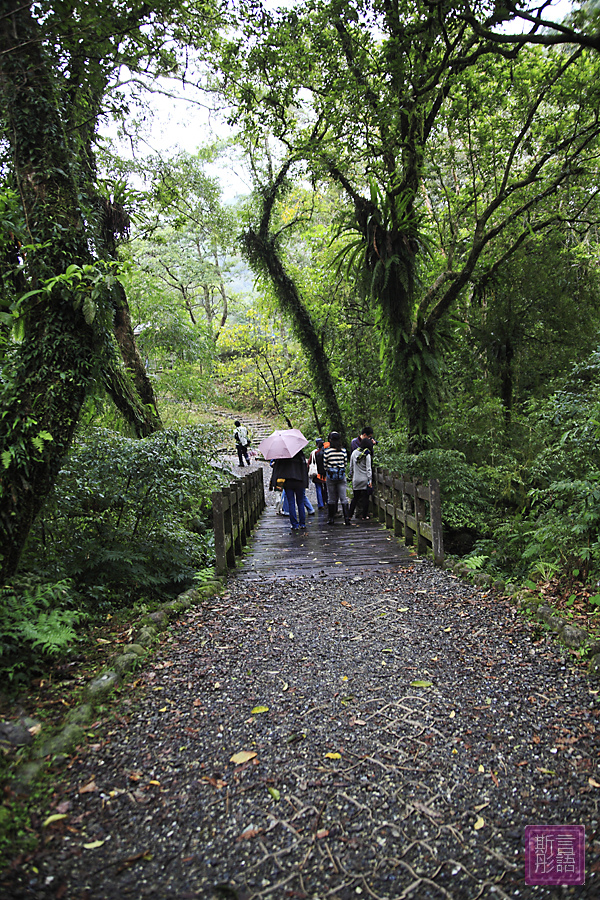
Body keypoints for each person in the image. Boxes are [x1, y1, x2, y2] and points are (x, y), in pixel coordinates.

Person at [271, 450, 309, 531]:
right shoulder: (300, 454)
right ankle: (302, 524)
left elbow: (278, 468)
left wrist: (275, 482)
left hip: (288, 482)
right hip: (300, 481)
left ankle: (294, 524)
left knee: (291, 503)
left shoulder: (284, 455)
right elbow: (304, 468)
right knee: (300, 502)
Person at [323, 431, 350, 525]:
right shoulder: (343, 451)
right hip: (341, 476)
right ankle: (347, 518)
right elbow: (345, 463)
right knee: (343, 497)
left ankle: (331, 519)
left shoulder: (327, 451)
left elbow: (325, 465)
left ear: (330, 440)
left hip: (331, 477)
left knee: (331, 497)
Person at [348, 437, 373, 520]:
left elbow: (351, 467)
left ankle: (349, 515)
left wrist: (351, 476)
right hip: (364, 479)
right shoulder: (367, 454)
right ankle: (364, 515)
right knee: (365, 498)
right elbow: (368, 469)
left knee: (355, 498)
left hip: (356, 479)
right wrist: (370, 480)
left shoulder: (354, 453)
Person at [308, 438, 327, 509]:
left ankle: (320, 504)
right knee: (326, 488)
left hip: (316, 474)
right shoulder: (326, 452)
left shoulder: (313, 453)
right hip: (325, 473)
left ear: (316, 444)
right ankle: (327, 502)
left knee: (318, 488)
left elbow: (309, 463)